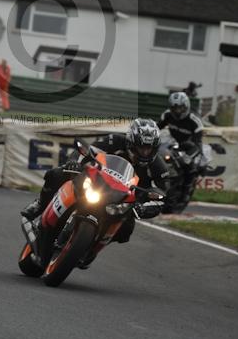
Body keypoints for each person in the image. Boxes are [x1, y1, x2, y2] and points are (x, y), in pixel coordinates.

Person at [22, 118, 169, 261]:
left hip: (123, 200)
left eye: (148, 148)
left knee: (126, 229)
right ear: (131, 142)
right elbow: (86, 151)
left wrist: (143, 207)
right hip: (96, 183)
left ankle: (93, 248)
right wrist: (74, 163)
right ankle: (40, 205)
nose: (145, 152)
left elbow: (161, 196)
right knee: (57, 174)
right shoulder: (114, 141)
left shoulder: (159, 167)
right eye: (141, 147)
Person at [158, 91, 205, 205]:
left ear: (186, 106)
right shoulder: (167, 115)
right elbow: (157, 127)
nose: (177, 111)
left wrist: (189, 156)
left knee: (189, 166)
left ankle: (185, 194)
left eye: (180, 108)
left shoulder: (195, 121)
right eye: (174, 108)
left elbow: (198, 144)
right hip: (174, 144)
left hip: (190, 147)